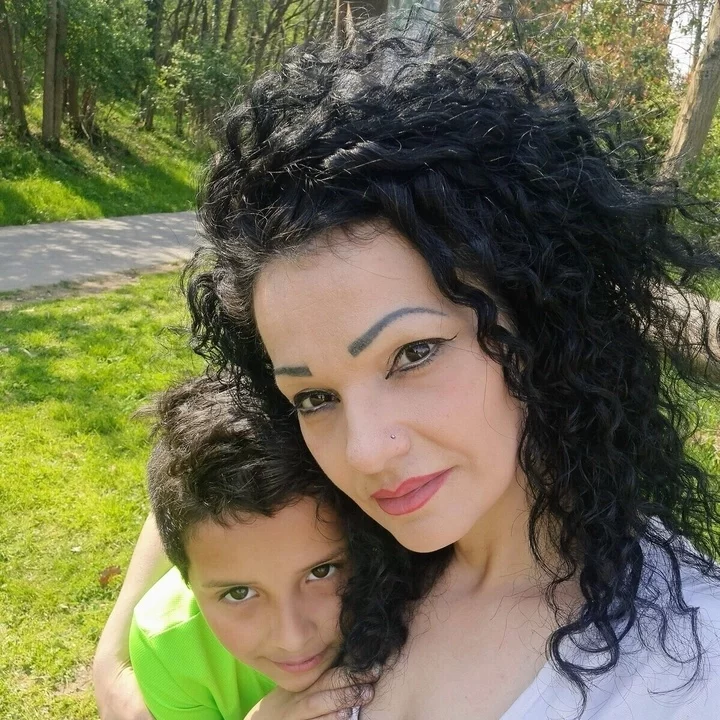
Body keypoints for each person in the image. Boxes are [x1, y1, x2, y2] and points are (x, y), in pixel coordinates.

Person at [95, 22, 720, 720]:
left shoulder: (687, 668)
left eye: (413, 354)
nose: (365, 452)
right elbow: (195, 481)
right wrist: (118, 651)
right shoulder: (348, 571)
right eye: (314, 397)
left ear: (540, 319)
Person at [128, 373, 435, 720]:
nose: (293, 638)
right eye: (239, 593)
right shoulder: (167, 652)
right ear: (187, 581)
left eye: (321, 572)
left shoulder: (426, 595)